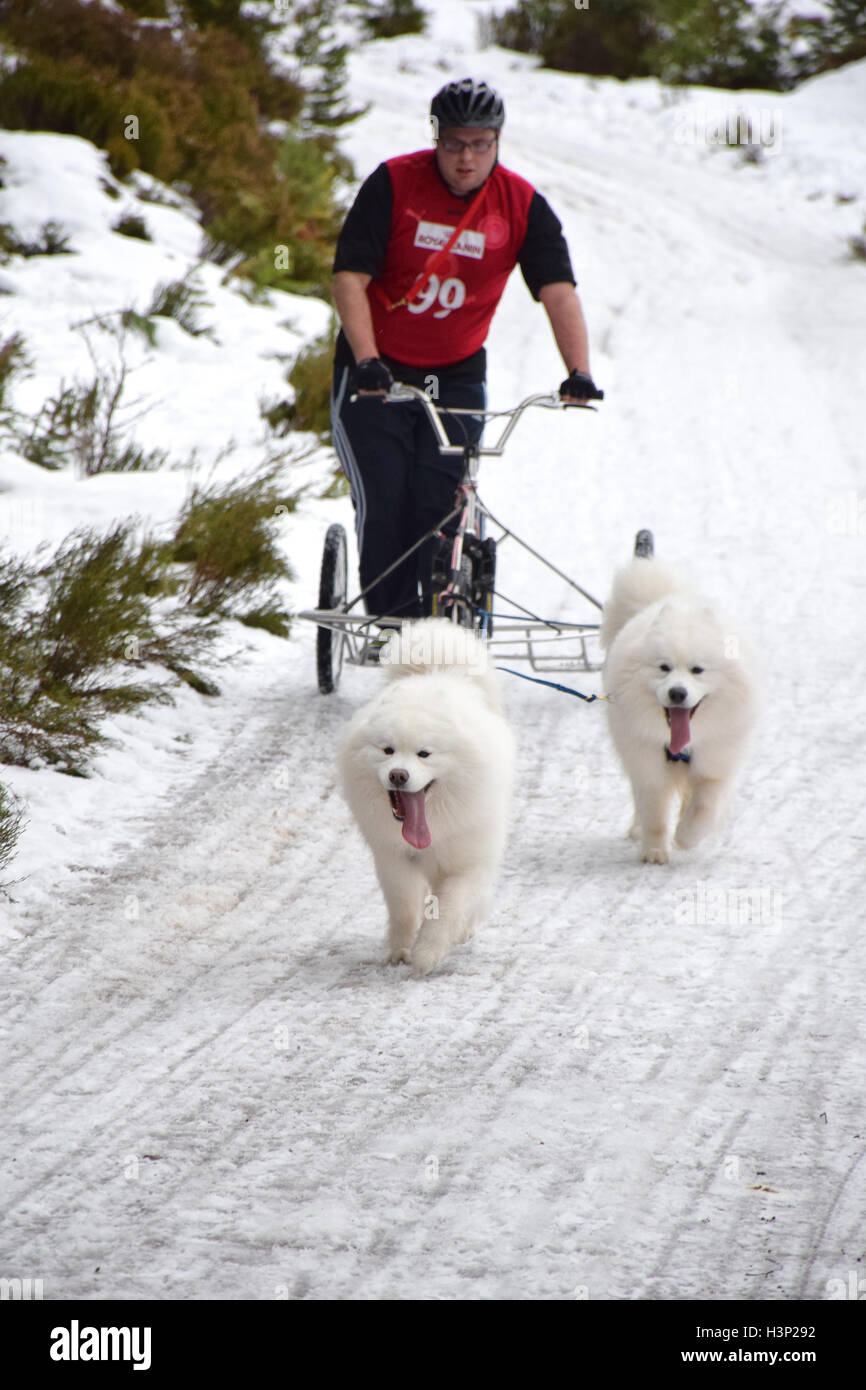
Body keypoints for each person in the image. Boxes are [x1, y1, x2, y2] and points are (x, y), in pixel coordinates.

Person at [330, 76, 602, 621]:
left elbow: (558, 291)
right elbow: (349, 278)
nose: (466, 157)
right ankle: (391, 626)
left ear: (498, 143)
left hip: (456, 375)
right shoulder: (392, 184)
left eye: (481, 144)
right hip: (377, 373)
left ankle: (437, 625)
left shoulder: (522, 205)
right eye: (455, 143)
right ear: (437, 137)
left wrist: (578, 371)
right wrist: (366, 361)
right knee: (386, 503)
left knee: (441, 507)